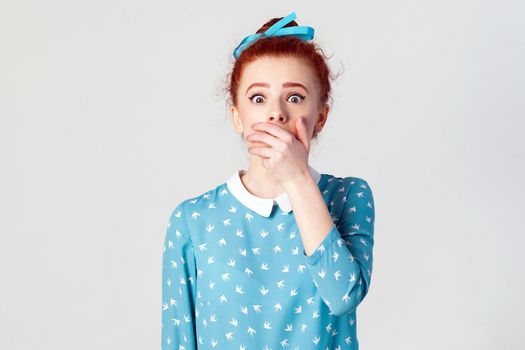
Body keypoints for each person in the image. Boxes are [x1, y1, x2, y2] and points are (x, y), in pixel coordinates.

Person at [161, 11, 375, 350]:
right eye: (258, 98)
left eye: (294, 97)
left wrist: (296, 177)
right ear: (237, 116)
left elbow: (343, 295)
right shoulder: (193, 220)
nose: (276, 113)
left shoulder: (349, 196)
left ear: (321, 116)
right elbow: (177, 341)